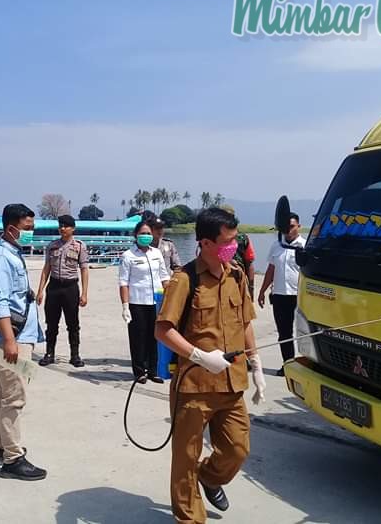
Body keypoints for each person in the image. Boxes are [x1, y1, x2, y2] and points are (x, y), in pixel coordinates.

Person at [155, 207, 266, 524]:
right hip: (194, 388)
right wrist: (200, 356)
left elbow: (245, 322)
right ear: (204, 243)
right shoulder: (185, 279)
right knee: (185, 459)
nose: (234, 246)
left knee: (237, 449)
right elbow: (162, 330)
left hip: (232, 385)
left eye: (235, 240)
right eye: (227, 241)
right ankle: (189, 518)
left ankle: (211, 477)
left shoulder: (237, 275)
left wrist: (256, 364)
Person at [0, 203, 47, 480]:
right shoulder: (0, 260)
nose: (31, 233)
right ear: (11, 228)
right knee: (15, 398)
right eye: (27, 228)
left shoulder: (13, 254)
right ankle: (13, 458)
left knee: (2, 392)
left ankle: (2, 446)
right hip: (11, 341)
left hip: (18, 338)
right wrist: (9, 340)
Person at [118, 220, 170, 384]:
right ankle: (139, 371)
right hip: (136, 302)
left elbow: (164, 277)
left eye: (148, 233)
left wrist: (169, 298)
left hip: (156, 301)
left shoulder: (156, 253)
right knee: (138, 338)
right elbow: (124, 282)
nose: (146, 236)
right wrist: (125, 306)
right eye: (142, 233)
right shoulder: (128, 255)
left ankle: (153, 371)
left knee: (155, 337)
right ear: (136, 235)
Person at [36, 214, 89, 367]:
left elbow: (84, 269)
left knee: (73, 323)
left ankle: (75, 355)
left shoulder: (79, 246)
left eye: (66, 226)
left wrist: (84, 293)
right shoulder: (52, 246)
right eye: (60, 226)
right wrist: (41, 290)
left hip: (70, 287)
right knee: (51, 322)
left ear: (73, 228)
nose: (62, 229)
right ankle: (49, 353)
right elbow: (47, 268)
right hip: (54, 287)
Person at [257, 212, 305, 376]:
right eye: (286, 227)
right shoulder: (276, 246)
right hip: (279, 295)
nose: (288, 230)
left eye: (292, 226)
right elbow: (271, 270)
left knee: (305, 331)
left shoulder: (304, 247)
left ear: (299, 226)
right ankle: (288, 365)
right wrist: (262, 290)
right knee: (284, 333)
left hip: (300, 296)